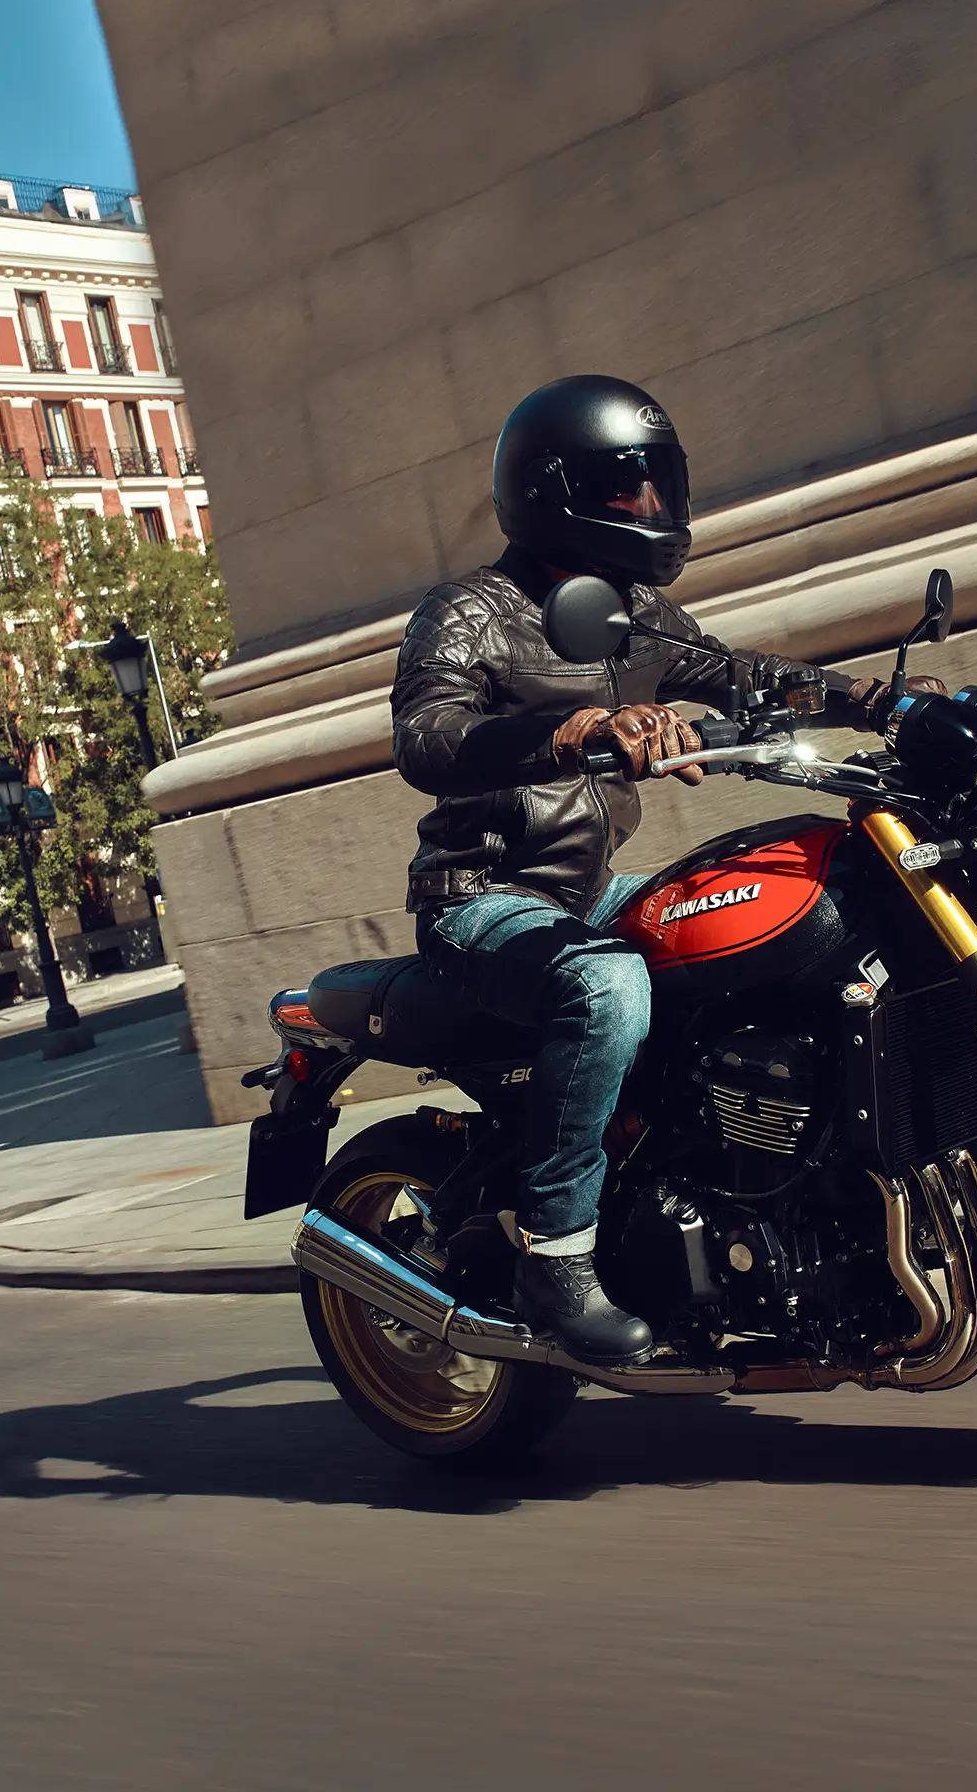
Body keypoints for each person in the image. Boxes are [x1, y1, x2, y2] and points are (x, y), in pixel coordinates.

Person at [391, 376, 930, 1364]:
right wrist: (575, 730)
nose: (650, 505)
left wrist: (875, 701)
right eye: (626, 486)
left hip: (587, 888)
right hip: (483, 895)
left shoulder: (633, 612)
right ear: (555, 491)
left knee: (783, 914)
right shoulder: (470, 612)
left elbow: (744, 677)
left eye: (657, 484)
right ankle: (556, 1252)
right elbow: (427, 737)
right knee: (610, 986)